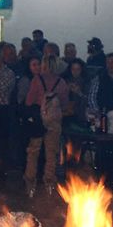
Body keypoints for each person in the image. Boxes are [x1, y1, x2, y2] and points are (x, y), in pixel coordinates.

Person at [23, 56, 68, 193]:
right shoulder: (61, 82)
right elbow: (64, 103)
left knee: (33, 151)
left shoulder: (37, 80)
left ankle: (30, 183)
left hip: (38, 120)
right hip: (54, 121)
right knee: (51, 153)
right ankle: (49, 182)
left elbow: (29, 101)